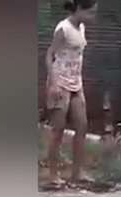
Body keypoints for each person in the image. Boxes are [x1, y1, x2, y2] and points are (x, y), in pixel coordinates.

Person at [45, 0, 98, 186]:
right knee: (57, 130)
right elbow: (50, 55)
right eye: (90, 12)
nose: (92, 17)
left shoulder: (81, 27)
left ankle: (77, 173)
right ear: (79, 10)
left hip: (76, 83)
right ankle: (53, 175)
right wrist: (53, 84)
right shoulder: (63, 29)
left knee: (82, 126)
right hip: (59, 83)